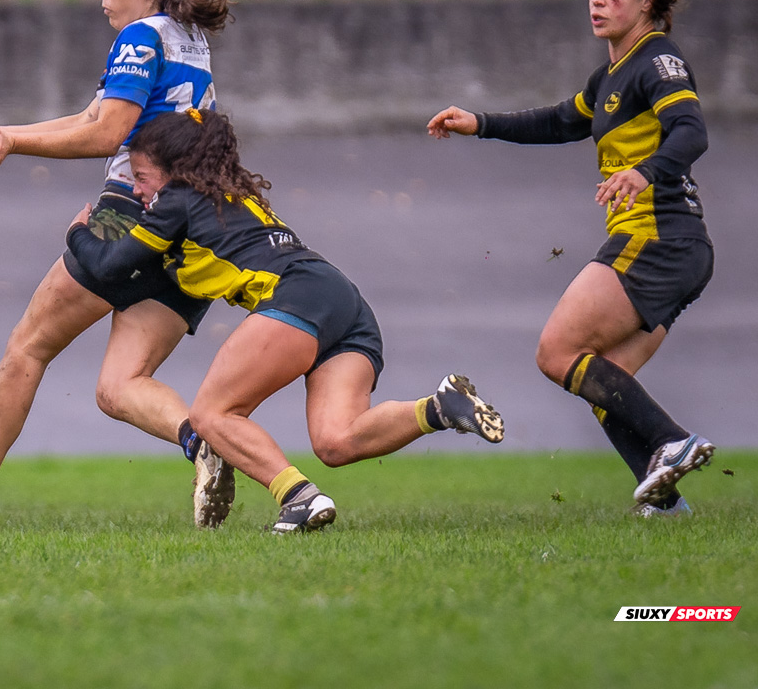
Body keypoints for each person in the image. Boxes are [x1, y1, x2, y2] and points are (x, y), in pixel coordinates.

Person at [0, 0, 236, 530]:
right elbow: (93, 114)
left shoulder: (140, 36)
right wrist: (7, 134)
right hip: (193, 227)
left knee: (28, 347)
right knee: (119, 386)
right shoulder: (187, 38)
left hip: (130, 214)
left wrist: (14, 145)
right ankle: (204, 442)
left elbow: (108, 132)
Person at [67, 108, 506, 534]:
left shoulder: (177, 199)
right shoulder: (227, 195)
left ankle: (298, 497)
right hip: (344, 302)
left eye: (142, 178)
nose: (139, 192)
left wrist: (77, 232)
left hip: (296, 297)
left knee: (212, 415)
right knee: (337, 440)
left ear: (175, 171)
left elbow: (110, 266)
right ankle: (439, 407)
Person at [427, 0, 718, 515]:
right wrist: (479, 122)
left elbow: (691, 132)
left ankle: (672, 442)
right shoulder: (611, 73)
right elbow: (562, 120)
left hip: (658, 238)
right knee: (607, 380)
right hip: (675, 248)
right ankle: (663, 503)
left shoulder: (659, 60)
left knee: (557, 351)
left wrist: (645, 171)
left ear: (647, 1)